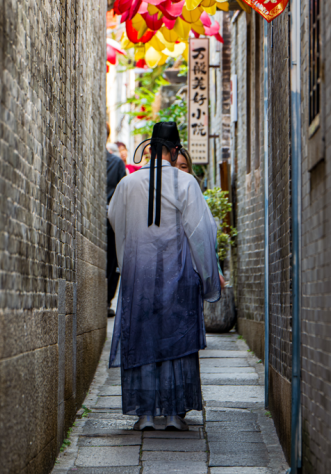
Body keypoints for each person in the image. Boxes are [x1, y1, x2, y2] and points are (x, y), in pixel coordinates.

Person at [108, 121, 221, 432]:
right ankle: (173, 413)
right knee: (177, 340)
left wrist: (128, 263)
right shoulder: (186, 184)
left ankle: (144, 414)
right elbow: (201, 234)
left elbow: (117, 223)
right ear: (174, 151)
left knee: (142, 339)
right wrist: (208, 280)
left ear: (149, 149)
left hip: (139, 276)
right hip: (179, 275)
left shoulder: (128, 185)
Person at [107, 127, 126, 318]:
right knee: (114, 261)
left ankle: (105, 300)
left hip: (110, 220)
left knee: (113, 261)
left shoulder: (115, 162)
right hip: (112, 221)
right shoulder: (116, 163)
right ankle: (106, 300)